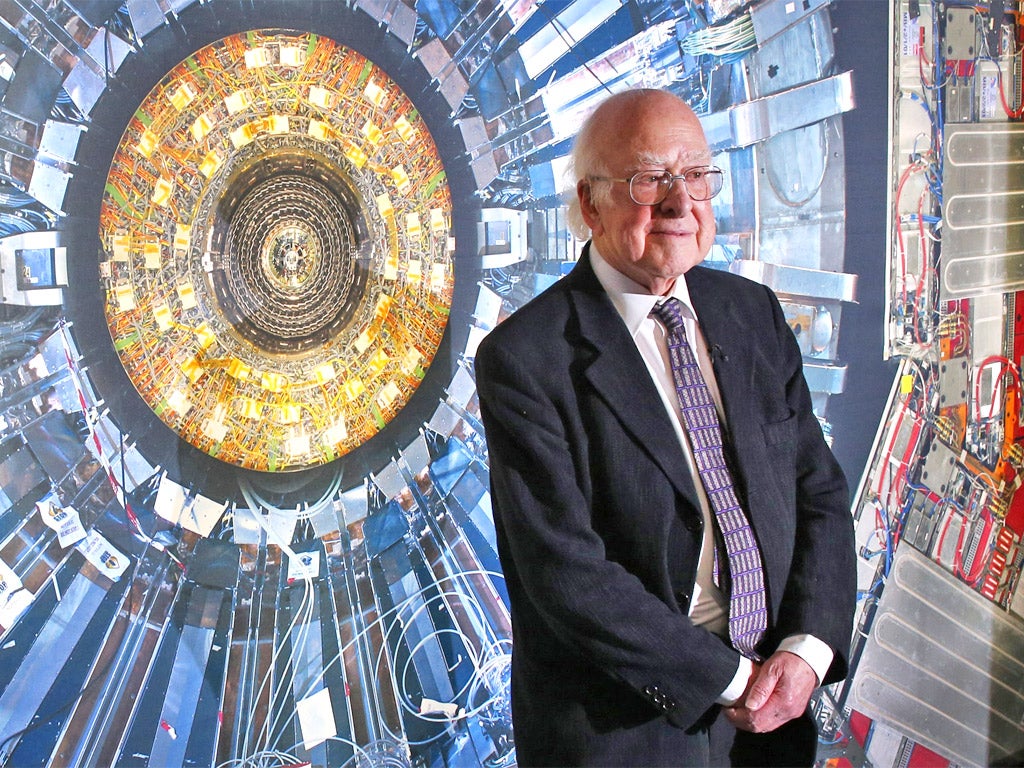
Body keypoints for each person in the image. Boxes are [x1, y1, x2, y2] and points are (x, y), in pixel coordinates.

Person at [473, 88, 856, 766]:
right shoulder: (526, 360)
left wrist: (805, 651)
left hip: (774, 721)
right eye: (650, 179)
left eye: (698, 175)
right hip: (625, 734)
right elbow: (569, 576)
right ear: (590, 204)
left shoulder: (752, 313)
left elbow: (817, 492)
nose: (681, 203)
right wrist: (730, 679)